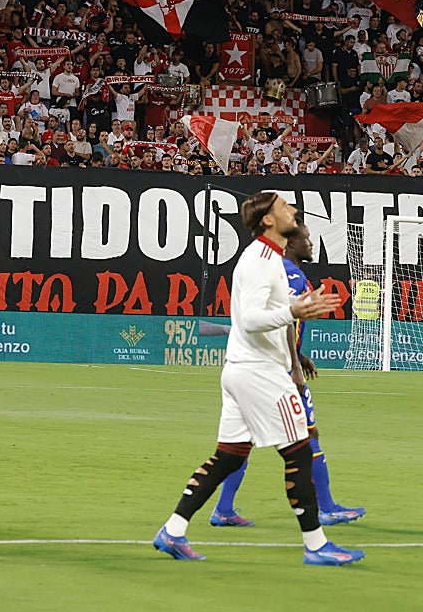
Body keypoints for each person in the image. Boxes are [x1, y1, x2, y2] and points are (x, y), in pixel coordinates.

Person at [153, 193, 363, 566]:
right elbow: (248, 320)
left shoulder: (269, 260)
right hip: (261, 373)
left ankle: (173, 530)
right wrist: (293, 310)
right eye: (285, 207)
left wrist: (294, 318)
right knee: (298, 450)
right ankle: (316, 545)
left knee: (228, 457)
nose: (293, 211)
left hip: (243, 369)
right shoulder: (261, 261)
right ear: (267, 220)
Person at [210, 220, 365, 528]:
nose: (311, 244)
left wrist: (299, 354)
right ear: (292, 243)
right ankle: (327, 508)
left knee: (241, 442)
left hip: (257, 368)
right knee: (308, 436)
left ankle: (222, 509)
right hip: (274, 373)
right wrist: (294, 366)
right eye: (306, 239)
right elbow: (282, 321)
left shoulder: (275, 268)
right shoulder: (290, 273)